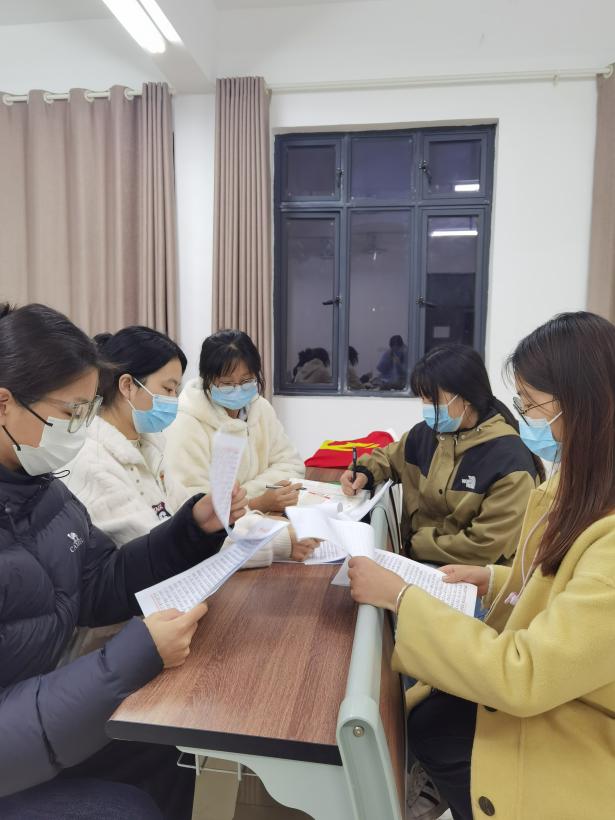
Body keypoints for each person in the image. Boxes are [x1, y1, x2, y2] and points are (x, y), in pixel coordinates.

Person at [347, 312, 615, 820]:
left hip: (575, 717)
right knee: (428, 713)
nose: (525, 415)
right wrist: (493, 579)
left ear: (584, 405)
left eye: (531, 404)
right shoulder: (576, 481)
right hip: (533, 659)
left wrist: (402, 594)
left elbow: (526, 672)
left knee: (429, 716)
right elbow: (560, 582)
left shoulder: (512, 460)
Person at [0, 303, 246, 819]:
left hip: (40, 708)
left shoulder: (40, 488)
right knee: (124, 808)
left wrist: (189, 531)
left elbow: (95, 581)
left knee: (169, 745)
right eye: (72, 413)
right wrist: (135, 654)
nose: (81, 429)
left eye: (87, 410)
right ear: (4, 404)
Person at [341, 344, 542, 566]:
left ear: (466, 396)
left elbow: (484, 546)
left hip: (475, 577)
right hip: (421, 562)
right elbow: (390, 458)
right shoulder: (426, 435)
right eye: (422, 399)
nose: (426, 408)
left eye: (432, 400)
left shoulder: (509, 460)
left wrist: (416, 544)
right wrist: (364, 471)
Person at [165, 330, 314, 564]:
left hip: (265, 521)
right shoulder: (185, 423)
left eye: (246, 381)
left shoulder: (260, 408)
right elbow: (193, 508)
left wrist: (239, 497)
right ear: (207, 379)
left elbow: (291, 465)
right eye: (226, 384)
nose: (237, 390)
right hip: (219, 545)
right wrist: (258, 501)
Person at [63, 327, 190, 545]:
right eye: (168, 389)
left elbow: (185, 508)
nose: (173, 400)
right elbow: (144, 543)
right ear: (127, 385)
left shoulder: (147, 446)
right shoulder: (92, 460)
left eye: (176, 391)